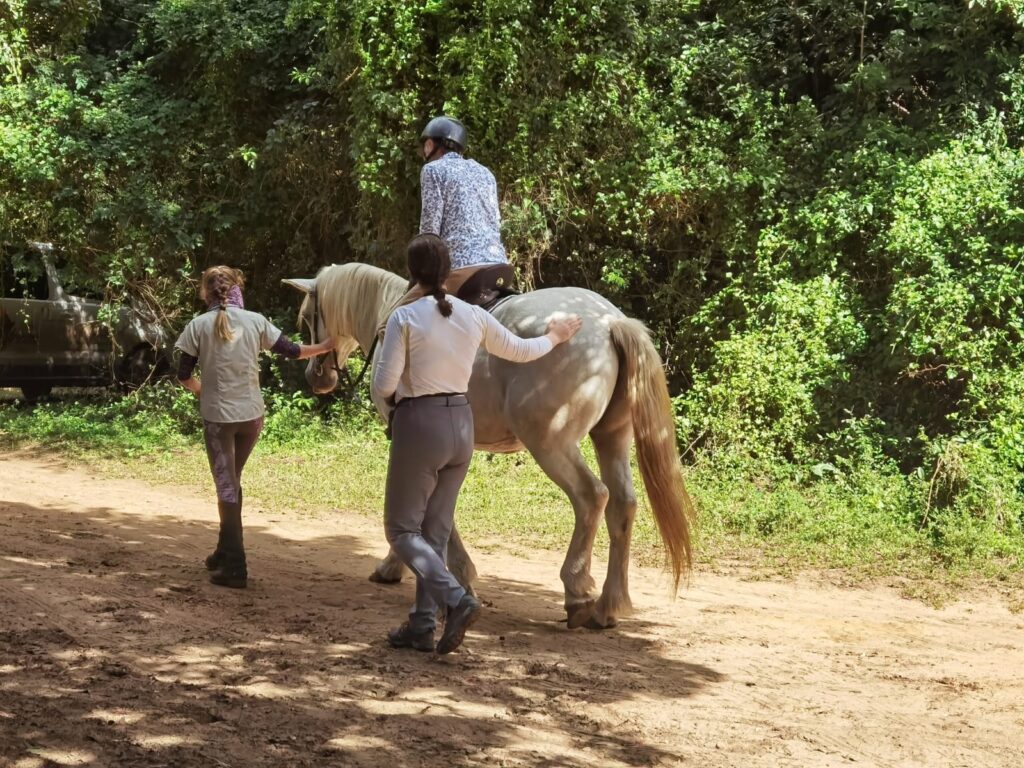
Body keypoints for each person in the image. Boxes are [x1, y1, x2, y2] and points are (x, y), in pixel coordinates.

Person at [373, 233, 582, 654]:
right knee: (435, 530)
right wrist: (556, 337)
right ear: (449, 274)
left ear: (412, 275)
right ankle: (421, 624)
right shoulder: (473, 315)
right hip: (462, 425)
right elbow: (522, 350)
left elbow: (383, 384)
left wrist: (398, 410)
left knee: (400, 529)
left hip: (421, 423)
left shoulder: (405, 317)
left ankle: (457, 599)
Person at [175, 266, 335, 589]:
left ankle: (235, 564)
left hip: (218, 419)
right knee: (231, 482)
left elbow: (182, 374)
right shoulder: (256, 321)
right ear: (237, 289)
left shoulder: (198, 326)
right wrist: (327, 346)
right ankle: (223, 551)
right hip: (252, 418)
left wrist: (199, 389)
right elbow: (292, 350)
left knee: (226, 486)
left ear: (206, 293)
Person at [377, 116, 510, 337]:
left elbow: (429, 234)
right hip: (499, 267)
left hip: (462, 269)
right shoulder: (486, 173)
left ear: (431, 144)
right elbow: (495, 220)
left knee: (389, 325)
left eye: (425, 144)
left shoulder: (433, 170)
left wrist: (418, 275)